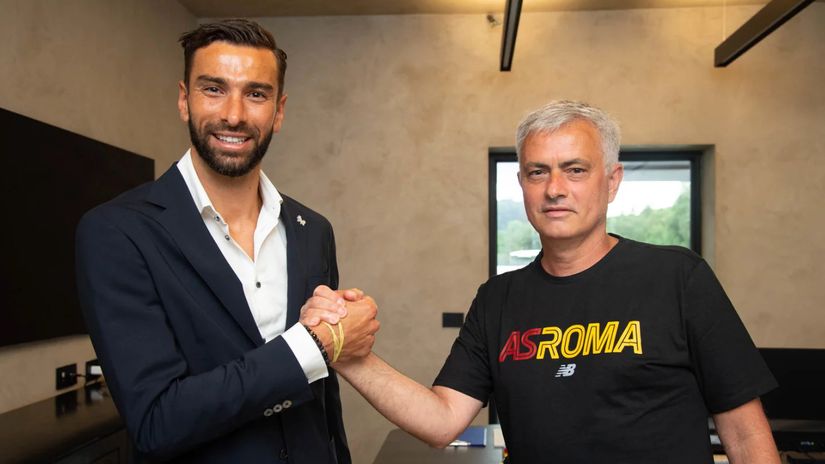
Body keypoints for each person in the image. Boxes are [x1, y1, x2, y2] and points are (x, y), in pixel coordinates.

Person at [303, 100, 780, 463]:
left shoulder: (678, 277)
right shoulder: (498, 299)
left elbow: (744, 433)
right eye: (538, 172)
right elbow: (441, 421)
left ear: (612, 182)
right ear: (522, 185)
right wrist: (345, 352)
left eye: (575, 170)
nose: (554, 189)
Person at [75, 19, 378, 463]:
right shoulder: (118, 232)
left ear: (279, 111)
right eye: (214, 89)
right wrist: (312, 345)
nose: (234, 115)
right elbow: (156, 421)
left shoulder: (313, 230)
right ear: (185, 100)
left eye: (256, 94)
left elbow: (325, 404)